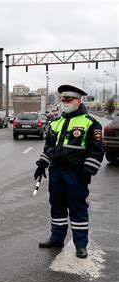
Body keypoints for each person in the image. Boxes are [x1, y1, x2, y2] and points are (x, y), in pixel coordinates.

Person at [34, 84, 103, 259]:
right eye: (62, 99)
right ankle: (57, 238)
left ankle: (80, 244)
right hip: (56, 172)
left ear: (78, 101)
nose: (64, 102)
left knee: (78, 208)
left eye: (68, 99)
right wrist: (42, 164)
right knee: (57, 206)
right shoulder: (56, 122)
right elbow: (49, 147)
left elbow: (96, 150)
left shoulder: (90, 123)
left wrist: (87, 171)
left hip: (76, 173)